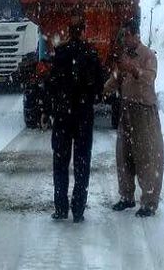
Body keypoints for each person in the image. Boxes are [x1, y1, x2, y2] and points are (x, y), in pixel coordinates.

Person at [47, 17, 103, 223]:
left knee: (60, 163)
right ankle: (78, 209)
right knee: (82, 163)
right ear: (83, 31)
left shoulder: (60, 54)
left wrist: (52, 106)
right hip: (83, 116)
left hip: (63, 116)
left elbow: (51, 84)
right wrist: (90, 96)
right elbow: (99, 86)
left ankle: (61, 207)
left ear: (69, 31)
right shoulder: (91, 53)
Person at [105, 23, 164, 217]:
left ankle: (149, 202)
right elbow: (113, 81)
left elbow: (149, 78)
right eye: (123, 37)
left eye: (127, 36)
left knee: (147, 156)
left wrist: (134, 69)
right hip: (127, 109)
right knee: (124, 155)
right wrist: (103, 88)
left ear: (136, 36)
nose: (125, 40)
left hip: (144, 111)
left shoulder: (148, 56)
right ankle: (126, 196)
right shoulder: (124, 56)